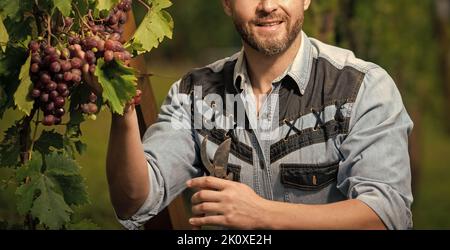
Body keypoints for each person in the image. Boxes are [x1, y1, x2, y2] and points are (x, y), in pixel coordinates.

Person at [106, 0, 414, 230]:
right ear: (226, 3)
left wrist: (261, 213)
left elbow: (386, 215)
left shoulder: (362, 87)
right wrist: (122, 108)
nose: (267, 6)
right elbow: (133, 200)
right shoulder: (193, 95)